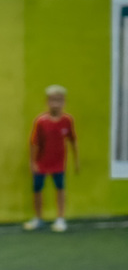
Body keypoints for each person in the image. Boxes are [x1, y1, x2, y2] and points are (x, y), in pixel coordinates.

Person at [25, 85, 79, 233]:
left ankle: (60, 219)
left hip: (58, 164)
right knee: (37, 189)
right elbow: (34, 143)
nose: (56, 103)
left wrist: (76, 160)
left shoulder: (68, 120)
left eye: (59, 100)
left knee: (60, 189)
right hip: (41, 163)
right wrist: (32, 162)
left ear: (64, 102)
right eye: (53, 100)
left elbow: (73, 140)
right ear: (47, 101)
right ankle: (38, 218)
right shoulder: (40, 121)